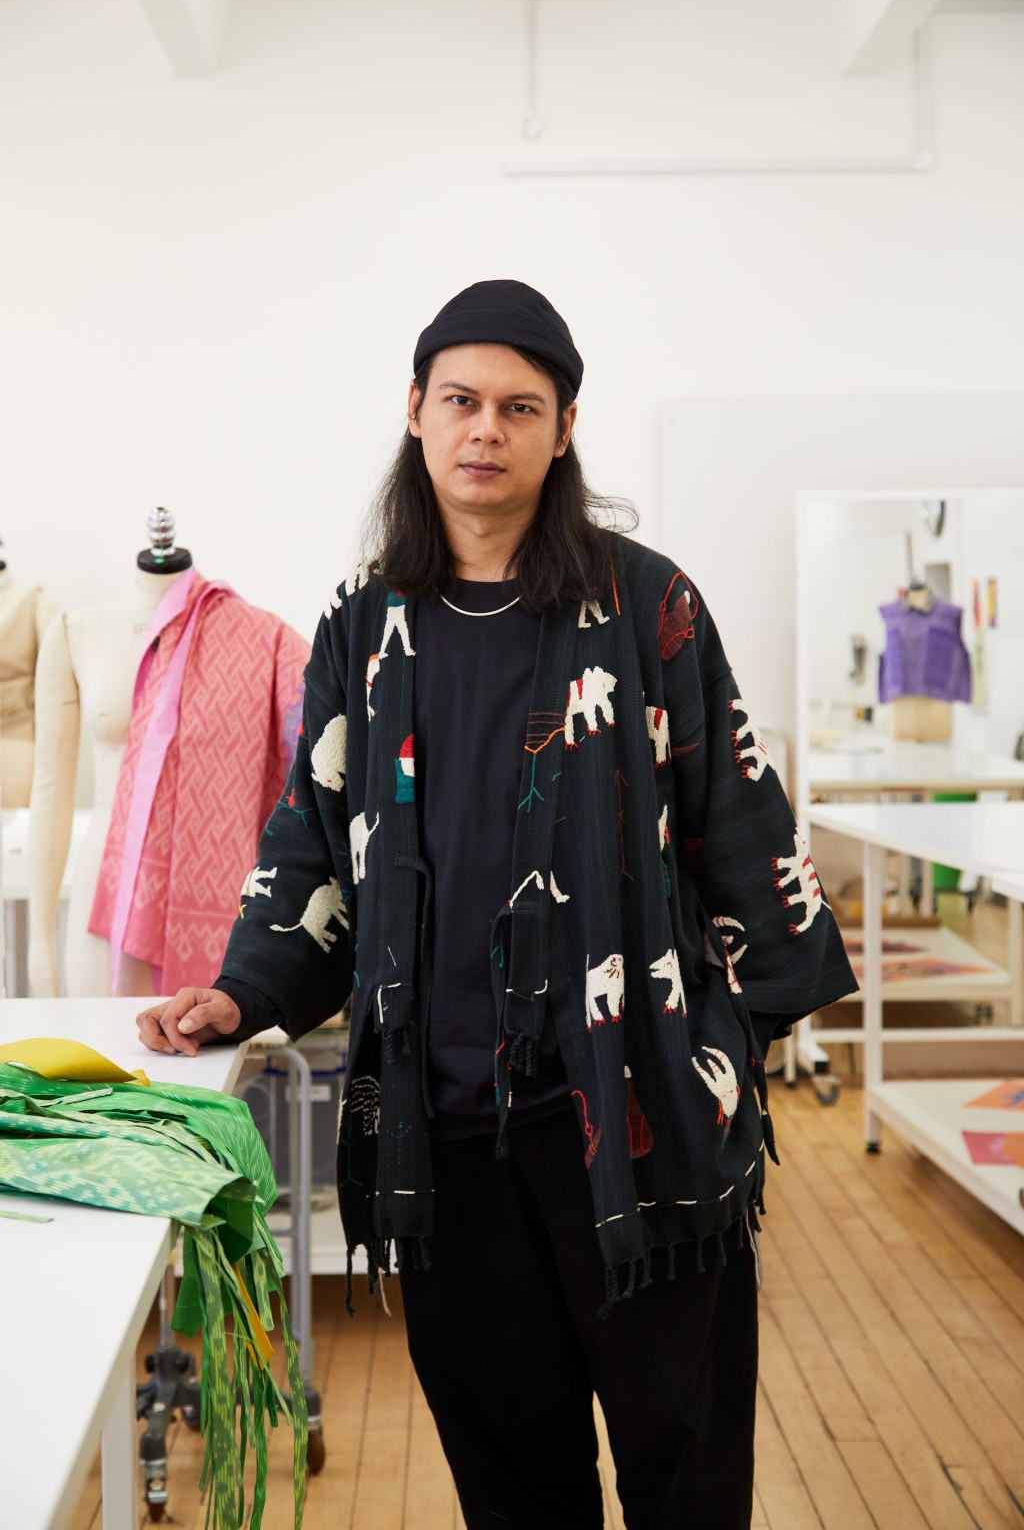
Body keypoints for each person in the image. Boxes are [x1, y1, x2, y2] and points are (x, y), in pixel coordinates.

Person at [137, 280, 857, 1530]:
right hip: (444, 1136)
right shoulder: (365, 627)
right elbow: (311, 843)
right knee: (512, 1484)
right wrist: (241, 990)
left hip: (639, 1131)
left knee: (686, 1476)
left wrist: (721, 1050)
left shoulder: (647, 606)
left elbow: (739, 822)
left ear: (562, 429)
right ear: (414, 413)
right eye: (460, 400)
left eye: (520, 406)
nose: (487, 429)